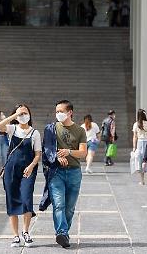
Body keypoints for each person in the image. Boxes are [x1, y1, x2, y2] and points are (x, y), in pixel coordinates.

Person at [0, 104, 42, 247]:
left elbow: (38, 154)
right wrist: (15, 115)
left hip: (28, 170)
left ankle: (26, 232)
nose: (23, 116)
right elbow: (0, 125)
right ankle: (15, 235)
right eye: (21, 114)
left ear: (30, 114)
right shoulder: (12, 129)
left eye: (25, 113)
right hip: (11, 170)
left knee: (27, 198)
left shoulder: (34, 132)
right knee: (12, 199)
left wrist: (31, 166)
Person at [45, 100, 87, 248]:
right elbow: (47, 149)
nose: (58, 114)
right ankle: (61, 233)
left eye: (61, 111)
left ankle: (64, 233)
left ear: (70, 112)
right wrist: (57, 156)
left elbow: (83, 153)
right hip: (57, 172)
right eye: (57, 111)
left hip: (74, 172)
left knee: (69, 207)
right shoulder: (51, 129)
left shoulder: (80, 131)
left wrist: (69, 152)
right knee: (59, 204)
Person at [133, 109, 147, 185]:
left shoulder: (136, 124)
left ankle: (142, 181)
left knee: (140, 160)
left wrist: (134, 147)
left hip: (140, 143)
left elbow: (135, 137)